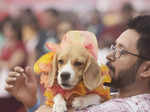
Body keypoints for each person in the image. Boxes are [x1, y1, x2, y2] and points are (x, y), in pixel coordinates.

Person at [5, 15, 150, 112]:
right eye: (114, 47)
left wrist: (34, 105)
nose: (110, 56)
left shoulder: (118, 108)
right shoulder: (117, 98)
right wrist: (33, 102)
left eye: (121, 51)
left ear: (147, 69)